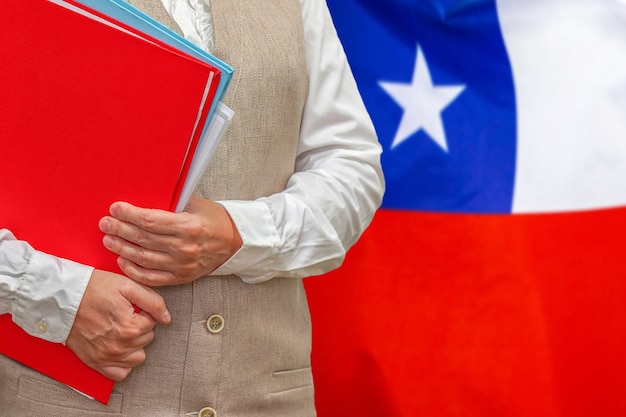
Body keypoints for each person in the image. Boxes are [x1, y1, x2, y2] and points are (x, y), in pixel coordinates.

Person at [0, 0, 384, 415]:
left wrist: (240, 234)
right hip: (62, 395)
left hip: (266, 396)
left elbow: (352, 167)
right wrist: (46, 294)